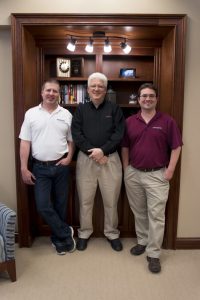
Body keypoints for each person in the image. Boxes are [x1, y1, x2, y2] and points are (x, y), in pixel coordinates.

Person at [121, 83, 182, 273]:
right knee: (138, 211)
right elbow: (124, 146)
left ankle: (154, 254)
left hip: (157, 175)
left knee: (156, 215)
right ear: (138, 99)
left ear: (156, 99)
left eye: (151, 96)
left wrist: (170, 169)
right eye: (144, 96)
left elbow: (176, 146)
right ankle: (143, 242)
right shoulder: (130, 121)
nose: (147, 99)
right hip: (134, 174)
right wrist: (126, 169)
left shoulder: (167, 121)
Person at [19, 79, 76, 255]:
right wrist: (23, 168)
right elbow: (25, 142)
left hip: (61, 167)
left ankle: (58, 240)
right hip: (39, 169)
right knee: (43, 206)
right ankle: (67, 232)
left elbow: (71, 141)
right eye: (48, 90)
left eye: (55, 91)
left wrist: (69, 158)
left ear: (59, 94)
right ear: (42, 92)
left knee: (60, 205)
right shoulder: (31, 114)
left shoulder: (66, 114)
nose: (51, 94)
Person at [72, 72, 125, 251]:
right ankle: (84, 233)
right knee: (85, 200)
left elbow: (119, 134)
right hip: (86, 160)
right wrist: (94, 152)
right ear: (87, 89)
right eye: (93, 86)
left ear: (105, 89)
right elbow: (76, 135)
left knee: (111, 200)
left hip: (110, 160)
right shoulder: (80, 109)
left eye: (100, 86)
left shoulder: (114, 109)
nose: (96, 89)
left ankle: (112, 233)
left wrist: (104, 150)